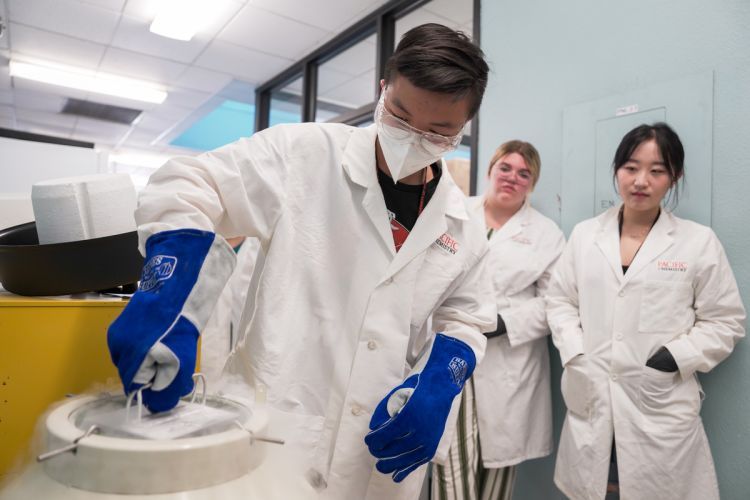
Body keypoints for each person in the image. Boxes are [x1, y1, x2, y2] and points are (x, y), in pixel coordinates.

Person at [106, 23, 496, 500]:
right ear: (382, 90)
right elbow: (188, 182)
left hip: (378, 449)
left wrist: (442, 382)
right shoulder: (303, 154)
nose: (414, 138)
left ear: (461, 129)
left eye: (438, 132)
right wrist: (168, 289)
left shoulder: (462, 223)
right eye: (399, 115)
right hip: (276, 424)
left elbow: (467, 317)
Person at [546, 123, 745, 500]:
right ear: (617, 170)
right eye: (631, 167)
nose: (641, 181)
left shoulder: (697, 242)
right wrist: (576, 351)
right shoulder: (585, 236)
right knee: (596, 490)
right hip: (592, 394)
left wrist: (676, 356)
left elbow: (726, 321)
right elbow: (559, 301)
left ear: (674, 177)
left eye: (657, 171)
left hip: (658, 404)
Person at [431, 141, 565, 500]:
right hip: (451, 346)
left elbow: (557, 301)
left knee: (496, 481)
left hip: (508, 360)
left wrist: (504, 323)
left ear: (532, 183)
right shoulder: (456, 213)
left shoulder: (546, 233)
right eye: (506, 167)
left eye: (524, 173)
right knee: (450, 467)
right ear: (491, 169)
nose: (512, 178)